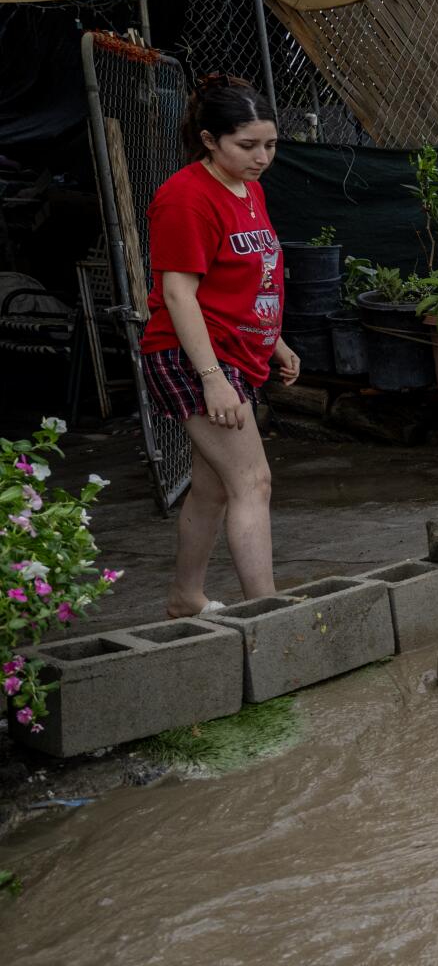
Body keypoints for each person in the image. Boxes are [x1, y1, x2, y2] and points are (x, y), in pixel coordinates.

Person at [140, 74, 299, 617]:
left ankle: (186, 597)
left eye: (270, 144)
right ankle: (269, 615)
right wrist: (212, 380)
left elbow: (249, 275)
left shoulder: (248, 188)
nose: (262, 157)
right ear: (210, 140)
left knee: (213, 488)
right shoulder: (185, 198)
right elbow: (179, 294)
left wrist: (275, 341)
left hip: (237, 353)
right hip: (193, 357)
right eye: (247, 146)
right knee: (253, 480)